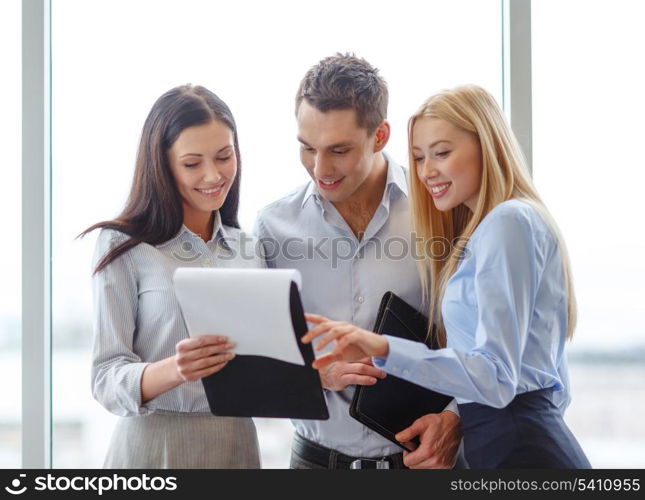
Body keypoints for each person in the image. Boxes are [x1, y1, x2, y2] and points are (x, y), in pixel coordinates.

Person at [302, 84, 591, 469]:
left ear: (486, 145)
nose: (426, 172)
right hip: (508, 440)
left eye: (442, 153)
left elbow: (496, 377)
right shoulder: (495, 225)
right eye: (420, 157)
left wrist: (381, 348)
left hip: (517, 445)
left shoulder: (507, 222)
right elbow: (551, 383)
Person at [254, 54, 463, 469]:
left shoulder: (442, 212)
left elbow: (483, 341)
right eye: (306, 148)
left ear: (381, 135)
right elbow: (259, 359)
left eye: (339, 150)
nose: (320, 168)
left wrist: (457, 416)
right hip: (314, 463)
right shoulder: (273, 226)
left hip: (426, 460)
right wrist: (314, 376)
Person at [81, 85, 263, 468]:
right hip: (153, 448)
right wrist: (174, 370)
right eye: (192, 163)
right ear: (162, 165)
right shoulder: (124, 246)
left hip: (237, 446)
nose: (213, 175)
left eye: (224, 156)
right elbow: (105, 376)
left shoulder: (249, 249)